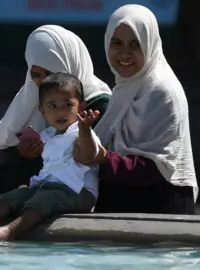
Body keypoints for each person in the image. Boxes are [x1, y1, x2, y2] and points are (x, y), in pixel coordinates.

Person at [0, 72, 105, 241]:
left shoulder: (82, 132)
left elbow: (90, 155)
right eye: (52, 106)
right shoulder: (48, 134)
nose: (60, 112)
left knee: (44, 199)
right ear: (42, 110)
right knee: (16, 195)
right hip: (48, 187)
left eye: (67, 104)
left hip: (78, 192)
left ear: (81, 108)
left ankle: (11, 230)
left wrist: (85, 129)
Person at [0, 25, 111, 198]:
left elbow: (88, 165)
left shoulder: (99, 107)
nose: (43, 83)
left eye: (51, 73)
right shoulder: (37, 102)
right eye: (36, 75)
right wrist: (23, 155)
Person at [93, 4, 197, 214]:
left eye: (135, 44)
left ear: (150, 45)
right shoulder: (127, 86)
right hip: (130, 202)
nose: (125, 53)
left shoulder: (161, 91)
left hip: (160, 209)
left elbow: (159, 167)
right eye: (117, 43)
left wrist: (101, 159)